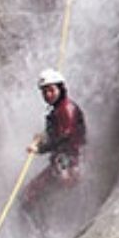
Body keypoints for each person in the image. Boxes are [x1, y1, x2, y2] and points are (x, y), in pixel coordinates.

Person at [23, 68, 87, 207]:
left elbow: (65, 137)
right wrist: (43, 137)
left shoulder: (66, 109)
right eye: (44, 92)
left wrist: (39, 148)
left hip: (68, 164)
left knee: (29, 196)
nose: (48, 95)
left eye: (51, 90)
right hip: (66, 162)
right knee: (32, 195)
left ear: (61, 89)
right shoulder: (60, 109)